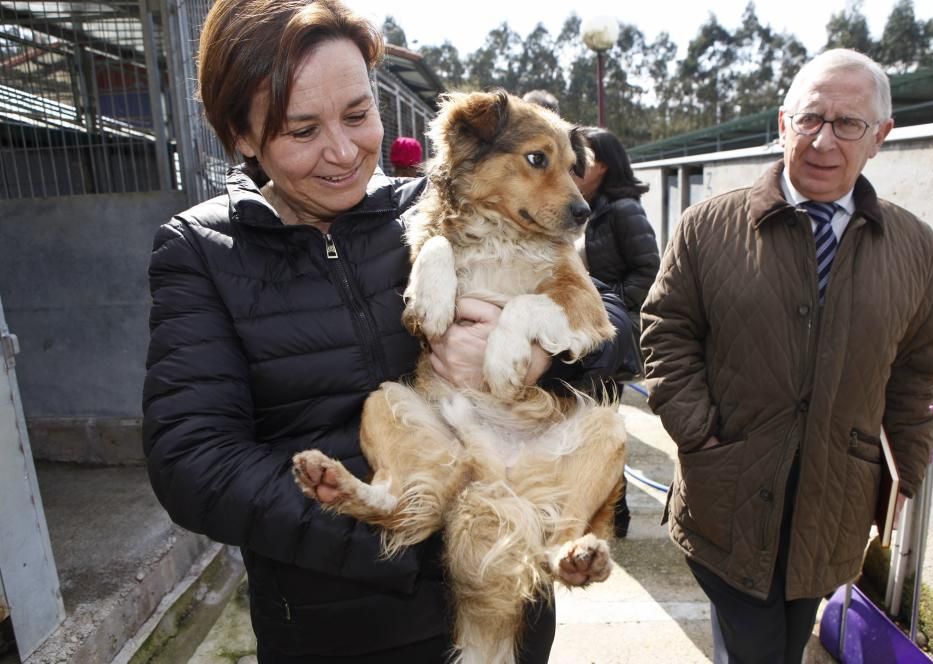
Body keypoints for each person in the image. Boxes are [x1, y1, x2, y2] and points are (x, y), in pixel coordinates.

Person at [141, 1, 635, 662]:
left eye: (357, 114)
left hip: (506, 609)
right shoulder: (201, 252)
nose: (343, 152)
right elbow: (192, 462)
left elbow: (617, 328)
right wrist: (406, 530)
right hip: (343, 630)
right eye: (301, 129)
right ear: (242, 134)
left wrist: (545, 356)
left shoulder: (440, 208)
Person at [641, 48, 933, 664]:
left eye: (848, 124)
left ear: (880, 137)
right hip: (728, 495)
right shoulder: (710, 226)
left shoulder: (912, 244)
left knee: (787, 635)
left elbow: (915, 366)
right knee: (756, 649)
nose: (824, 140)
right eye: (810, 119)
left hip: (834, 504)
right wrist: (699, 435)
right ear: (783, 124)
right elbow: (665, 331)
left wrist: (903, 473)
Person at [573, 126, 660, 538]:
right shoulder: (580, 204)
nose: (572, 163)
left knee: (602, 431)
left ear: (603, 165)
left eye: (582, 157)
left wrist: (608, 307)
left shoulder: (623, 210)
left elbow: (649, 270)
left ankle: (613, 517)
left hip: (607, 336)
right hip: (581, 336)